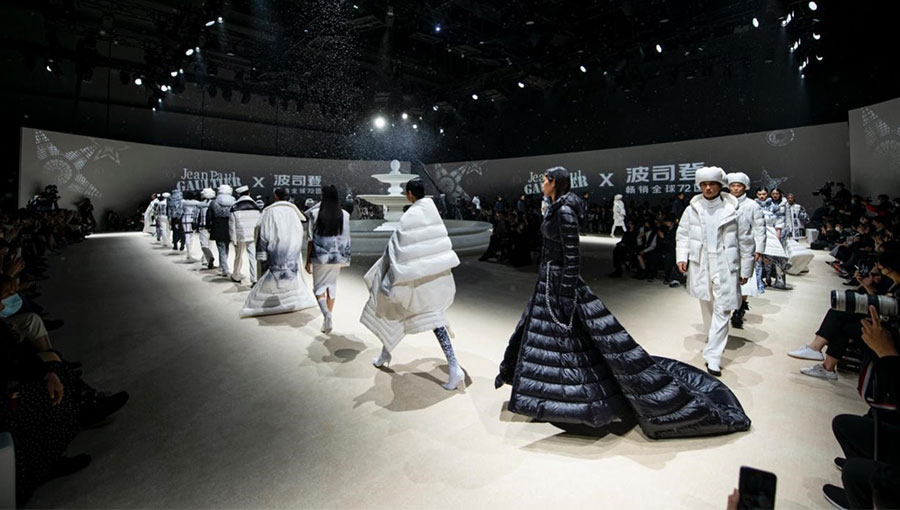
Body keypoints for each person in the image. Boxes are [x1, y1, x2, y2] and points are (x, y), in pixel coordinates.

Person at [495, 166, 751, 437]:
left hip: (559, 283)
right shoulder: (557, 207)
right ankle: (553, 398)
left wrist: (566, 290)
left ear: (555, 182)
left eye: (545, 180)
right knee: (555, 340)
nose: (541, 184)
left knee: (574, 340)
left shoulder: (565, 211)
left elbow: (572, 255)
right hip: (550, 282)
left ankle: (577, 399)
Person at [360, 179, 465, 391]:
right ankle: (385, 354)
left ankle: (454, 367)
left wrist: (389, 267)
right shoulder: (432, 212)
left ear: (409, 194)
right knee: (410, 316)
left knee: (403, 312)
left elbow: (399, 245)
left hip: (416, 281)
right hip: (433, 277)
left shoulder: (411, 215)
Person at [676, 166, 755, 376]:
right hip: (701, 262)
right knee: (707, 304)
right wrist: (682, 256)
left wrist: (746, 269)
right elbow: (683, 235)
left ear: (720, 186)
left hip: (725, 263)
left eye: (712, 184)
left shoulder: (733, 209)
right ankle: (713, 339)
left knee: (724, 307)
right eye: (704, 184)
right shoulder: (692, 209)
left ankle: (713, 355)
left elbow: (746, 241)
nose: (708, 188)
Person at [240, 188, 317, 317]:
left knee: (271, 280)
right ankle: (289, 301)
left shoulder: (270, 211)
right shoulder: (293, 212)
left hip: (275, 250)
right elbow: (299, 231)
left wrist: (261, 252)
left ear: (276, 197)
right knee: (291, 278)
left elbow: (263, 232)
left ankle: (273, 304)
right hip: (292, 251)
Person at [305, 185, 351, 334]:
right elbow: (347, 237)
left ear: (322, 196)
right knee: (332, 285)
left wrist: (308, 261)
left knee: (318, 288)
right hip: (338, 256)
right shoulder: (345, 215)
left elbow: (310, 239)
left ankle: (327, 315)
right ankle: (328, 318)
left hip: (320, 257)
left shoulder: (314, 214)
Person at [726, 172, 766, 329]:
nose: (736, 188)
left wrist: (759, 249)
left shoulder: (752, 205)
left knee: (745, 281)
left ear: (745, 187)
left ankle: (738, 311)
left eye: (739, 185)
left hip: (745, 248)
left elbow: (760, 228)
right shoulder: (723, 203)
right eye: (733, 185)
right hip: (724, 248)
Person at [756, 188, 792, 290]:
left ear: (767, 194)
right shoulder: (754, 205)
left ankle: (777, 280)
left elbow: (779, 220)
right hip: (757, 233)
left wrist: (778, 233)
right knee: (758, 258)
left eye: (764, 194)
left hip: (772, 233)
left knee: (775, 256)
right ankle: (759, 280)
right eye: (759, 194)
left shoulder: (774, 206)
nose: (762, 196)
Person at [229, 185, 261, 284]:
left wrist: (233, 239)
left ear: (238, 195)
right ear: (249, 193)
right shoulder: (256, 205)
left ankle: (236, 274)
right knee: (253, 256)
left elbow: (232, 224)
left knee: (238, 255)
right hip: (252, 234)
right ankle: (254, 279)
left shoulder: (235, 206)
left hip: (240, 235)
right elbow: (259, 222)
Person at [209, 185, 235, 277]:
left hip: (218, 226)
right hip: (229, 225)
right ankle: (223, 266)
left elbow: (209, 215)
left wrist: (208, 226)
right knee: (226, 246)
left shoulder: (214, 202)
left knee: (221, 248)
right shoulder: (234, 202)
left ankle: (224, 268)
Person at [197, 188, 216, 269]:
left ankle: (209, 257)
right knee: (210, 244)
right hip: (213, 227)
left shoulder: (200, 205)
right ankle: (206, 260)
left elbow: (197, 216)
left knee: (204, 245)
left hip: (203, 226)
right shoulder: (215, 204)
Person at [181, 191, 201, 262]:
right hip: (193, 220)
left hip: (185, 219)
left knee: (187, 235)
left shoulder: (183, 202)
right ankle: (190, 250)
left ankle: (188, 252)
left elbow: (181, 211)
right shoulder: (197, 203)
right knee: (192, 235)